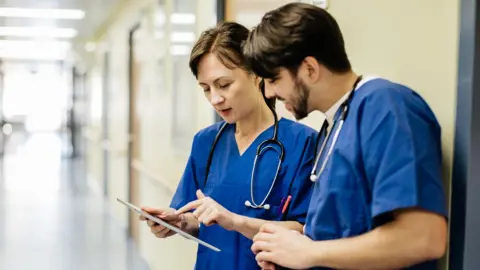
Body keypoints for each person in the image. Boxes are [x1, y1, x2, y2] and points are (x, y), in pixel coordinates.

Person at [243, 3, 448, 270]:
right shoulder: (334, 123)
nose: (269, 94)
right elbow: (340, 231)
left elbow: (424, 237)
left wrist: (311, 253)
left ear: (309, 69)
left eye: (273, 79)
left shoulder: (386, 107)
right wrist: (289, 249)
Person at [139, 21, 317, 270]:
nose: (215, 99)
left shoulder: (302, 143)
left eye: (224, 85)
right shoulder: (206, 142)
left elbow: (306, 230)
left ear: (256, 75)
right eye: (205, 89)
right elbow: (196, 218)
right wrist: (180, 223)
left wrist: (235, 221)